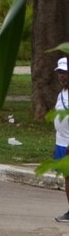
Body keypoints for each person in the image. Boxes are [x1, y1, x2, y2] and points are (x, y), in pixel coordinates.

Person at [52, 57, 69, 222]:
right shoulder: (61, 94)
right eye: (60, 72)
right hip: (61, 143)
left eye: (65, 72)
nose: (62, 76)